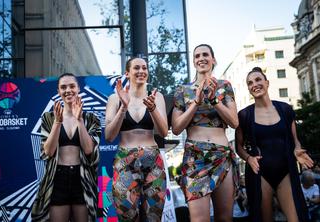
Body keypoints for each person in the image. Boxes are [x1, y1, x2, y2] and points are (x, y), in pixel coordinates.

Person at [235, 67, 314, 222]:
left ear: (267, 82)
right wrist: (248, 158)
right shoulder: (244, 115)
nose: (254, 84)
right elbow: (239, 146)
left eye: (258, 80)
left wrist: (297, 149)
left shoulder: (285, 109)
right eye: (250, 83)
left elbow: (295, 138)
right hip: (260, 173)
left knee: (295, 218)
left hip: (285, 170)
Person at [172, 44, 239, 222]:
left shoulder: (225, 86)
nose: (201, 58)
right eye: (197, 56)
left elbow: (234, 122)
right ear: (194, 62)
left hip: (222, 156)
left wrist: (214, 100)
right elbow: (177, 128)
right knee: (199, 219)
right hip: (196, 158)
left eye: (205, 54)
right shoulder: (183, 90)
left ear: (213, 59)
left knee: (225, 218)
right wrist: (196, 102)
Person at [105, 57, 168, 221]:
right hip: (125, 163)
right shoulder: (114, 99)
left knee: (153, 216)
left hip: (153, 162)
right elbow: (109, 136)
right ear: (127, 72)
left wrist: (152, 108)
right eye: (136, 68)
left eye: (144, 68)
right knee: (127, 217)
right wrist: (123, 108)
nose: (141, 71)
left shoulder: (157, 96)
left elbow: (163, 132)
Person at [32, 73, 101, 221]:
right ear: (58, 91)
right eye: (63, 87)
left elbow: (89, 150)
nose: (68, 90)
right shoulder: (48, 118)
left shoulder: (91, 119)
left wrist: (80, 120)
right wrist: (57, 123)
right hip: (58, 178)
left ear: (78, 88)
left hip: (82, 179)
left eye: (72, 86)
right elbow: (48, 152)